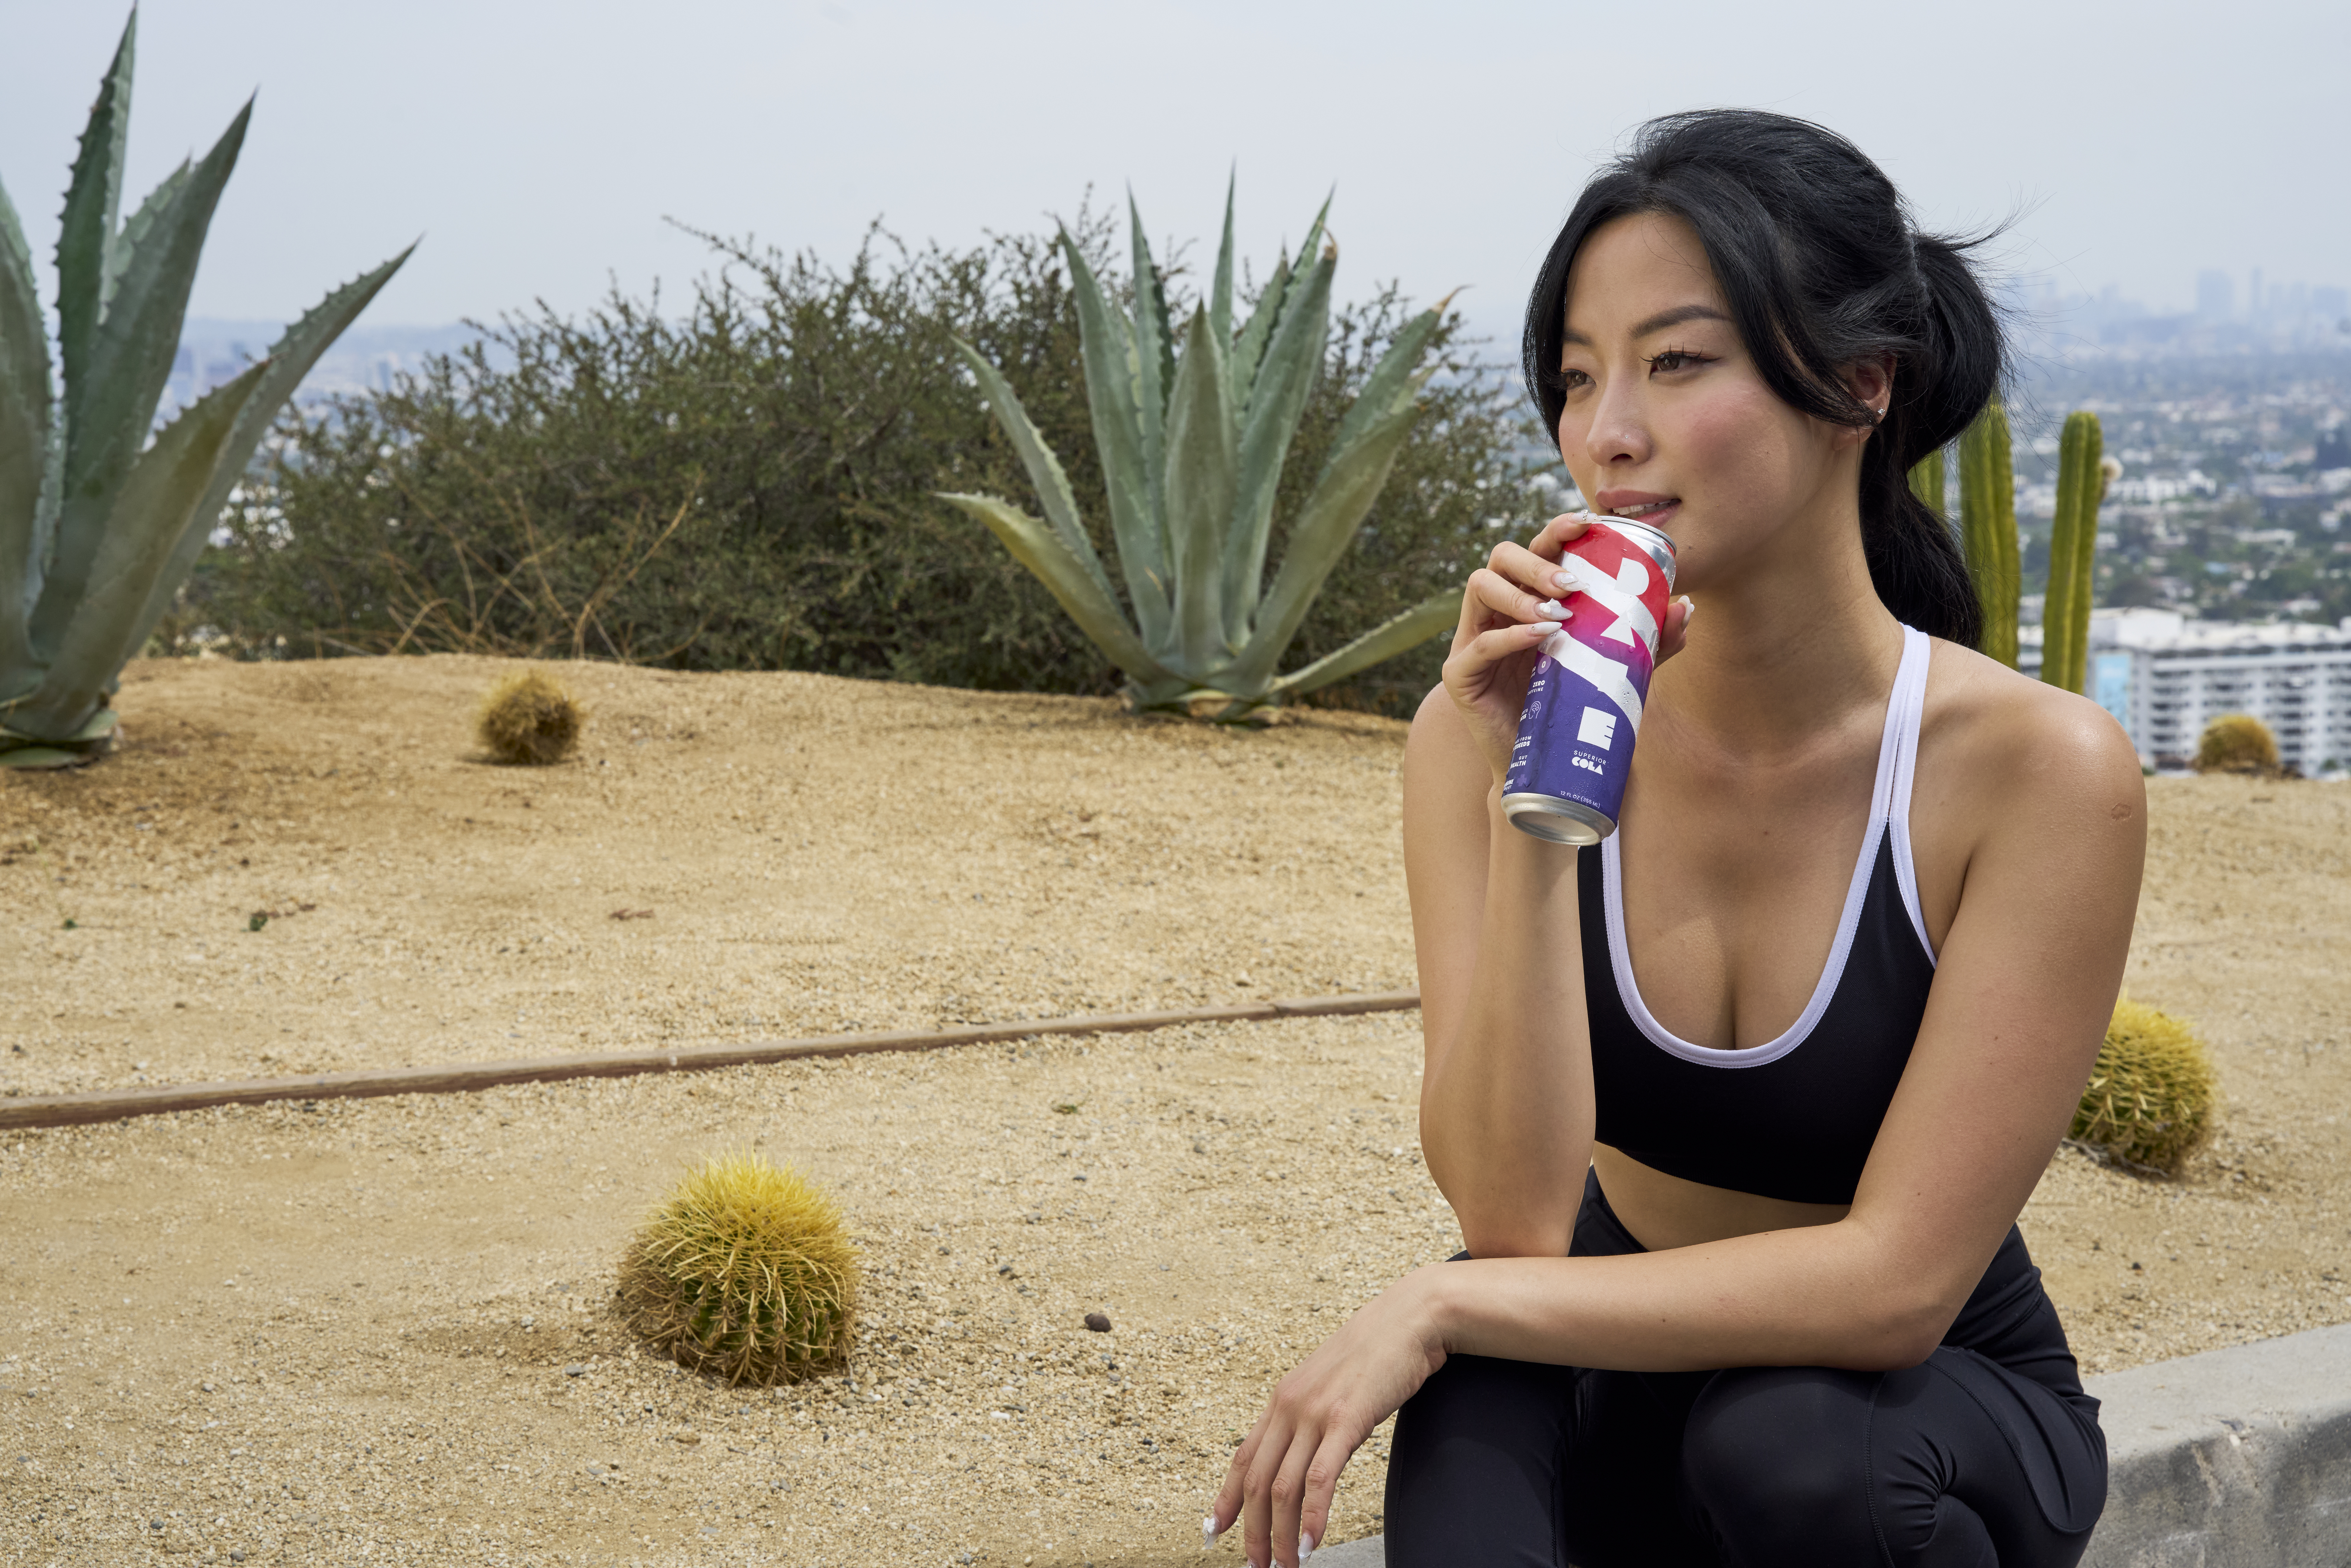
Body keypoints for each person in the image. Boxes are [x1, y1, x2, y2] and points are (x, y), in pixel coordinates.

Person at [1205, 110, 2144, 1568]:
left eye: (1676, 361)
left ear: (1856, 384)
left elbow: (1895, 1286)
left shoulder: (2029, 770)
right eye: (1577, 378)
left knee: (1783, 1444)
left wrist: (1432, 1301)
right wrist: (1538, 787)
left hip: (1917, 1413)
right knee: (1469, 1435)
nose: (1606, 432)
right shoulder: (1478, 727)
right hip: (1615, 1330)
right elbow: (1515, 1214)